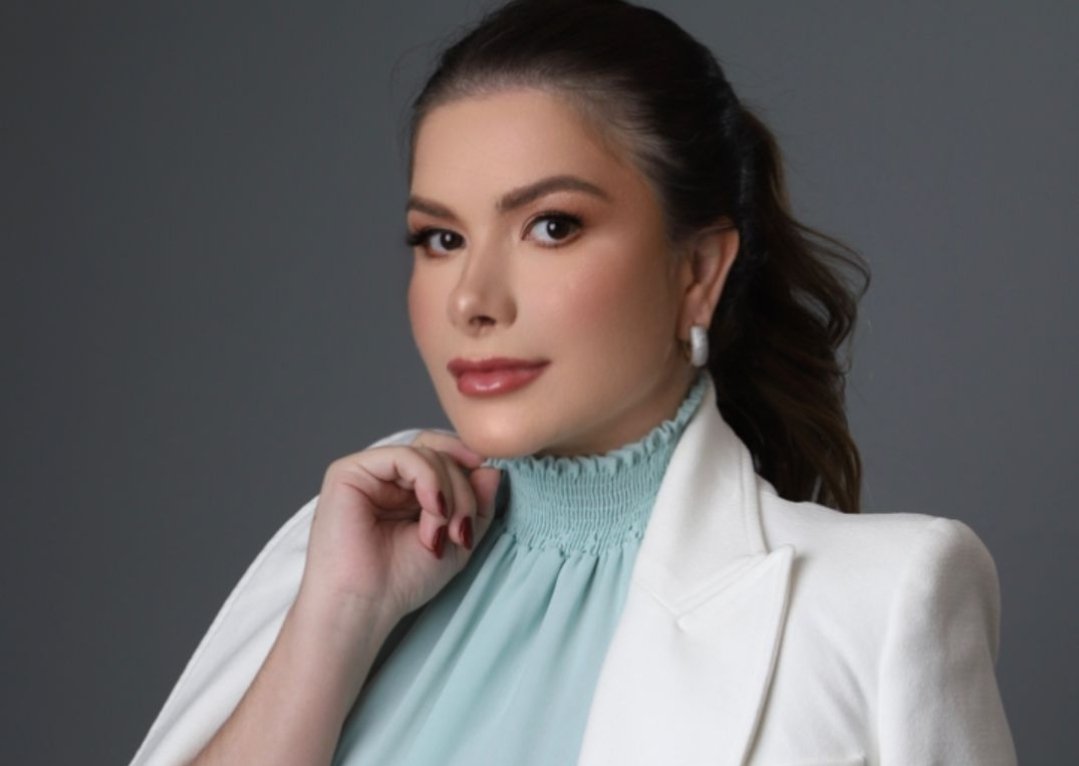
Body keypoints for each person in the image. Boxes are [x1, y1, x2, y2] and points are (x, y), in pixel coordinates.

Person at [130, 0, 1018, 764]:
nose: (472, 299)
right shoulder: (346, 546)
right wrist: (336, 620)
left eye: (551, 226)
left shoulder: (883, 598)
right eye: (440, 238)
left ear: (697, 271)